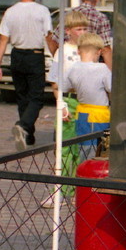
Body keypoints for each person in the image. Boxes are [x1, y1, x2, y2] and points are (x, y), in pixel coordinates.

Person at [0, 0, 52, 151]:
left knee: (22, 96)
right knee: (36, 97)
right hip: (35, 55)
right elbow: (48, 35)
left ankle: (29, 136)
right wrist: (56, 53)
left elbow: (3, 39)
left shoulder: (10, 11)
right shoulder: (42, 11)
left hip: (16, 55)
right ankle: (24, 125)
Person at [47, 11, 89, 180]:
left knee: (83, 149)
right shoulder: (63, 51)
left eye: (85, 28)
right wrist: (61, 104)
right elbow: (55, 81)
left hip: (86, 102)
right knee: (65, 148)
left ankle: (79, 189)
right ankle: (61, 188)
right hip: (69, 100)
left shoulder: (89, 50)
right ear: (68, 31)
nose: (83, 32)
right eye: (79, 29)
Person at [65, 32, 112, 161]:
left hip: (81, 113)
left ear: (79, 50)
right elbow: (112, 88)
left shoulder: (73, 68)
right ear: (99, 52)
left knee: (83, 147)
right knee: (100, 149)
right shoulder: (102, 69)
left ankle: (82, 170)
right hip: (99, 115)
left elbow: (63, 88)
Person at [47, 0, 113, 69]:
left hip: (68, 64)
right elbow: (106, 50)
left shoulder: (69, 15)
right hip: (92, 65)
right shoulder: (101, 18)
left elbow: (54, 40)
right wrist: (110, 73)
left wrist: (59, 58)